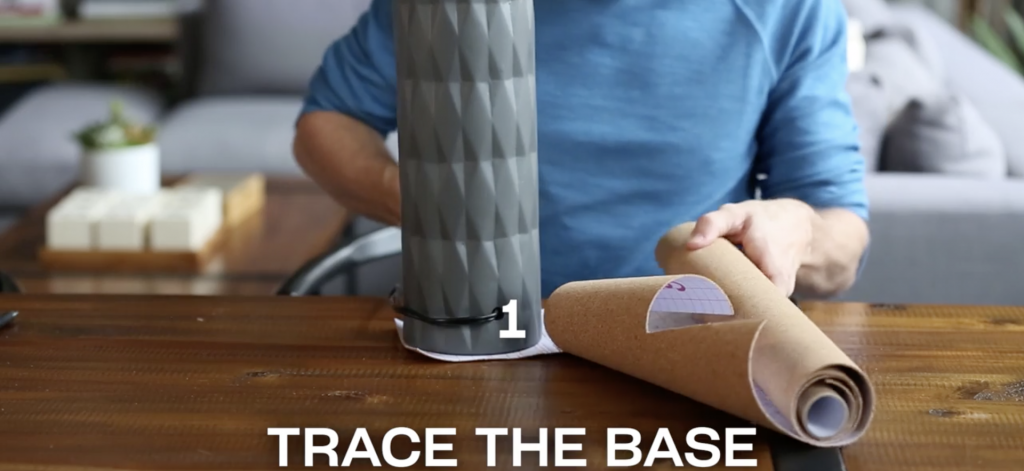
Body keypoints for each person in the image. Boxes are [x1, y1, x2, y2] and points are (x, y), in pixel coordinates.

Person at [294, 0, 870, 299]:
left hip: (692, 335)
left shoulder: (791, 11)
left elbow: (840, 238)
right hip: (478, 327)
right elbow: (326, 122)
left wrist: (796, 228)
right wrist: (416, 199)